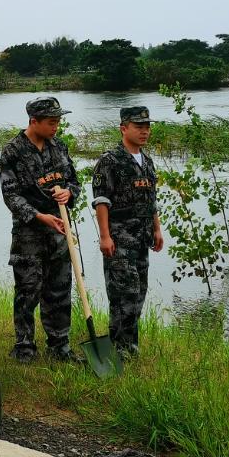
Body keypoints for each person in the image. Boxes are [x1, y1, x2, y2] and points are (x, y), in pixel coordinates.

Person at [0, 96, 81, 364]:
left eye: (58, 121)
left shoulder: (60, 147)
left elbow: (74, 182)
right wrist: (38, 216)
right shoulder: (12, 151)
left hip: (59, 230)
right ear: (34, 121)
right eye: (51, 122)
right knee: (28, 290)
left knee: (59, 288)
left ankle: (60, 344)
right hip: (29, 234)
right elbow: (11, 196)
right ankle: (24, 345)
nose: (56, 126)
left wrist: (69, 193)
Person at [91, 106, 164, 357]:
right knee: (124, 293)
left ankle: (130, 345)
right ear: (124, 128)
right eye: (138, 127)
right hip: (119, 237)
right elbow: (101, 200)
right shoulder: (109, 161)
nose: (145, 131)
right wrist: (104, 236)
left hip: (142, 237)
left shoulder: (147, 161)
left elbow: (150, 199)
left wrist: (157, 229)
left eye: (147, 127)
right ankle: (119, 346)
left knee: (139, 291)